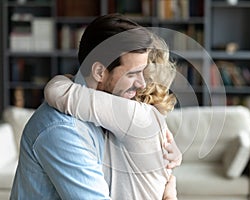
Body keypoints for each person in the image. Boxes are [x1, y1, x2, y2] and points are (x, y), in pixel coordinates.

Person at [10, 13, 180, 200]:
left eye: (143, 73)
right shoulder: (64, 130)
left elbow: (62, 92)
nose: (142, 84)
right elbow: (62, 94)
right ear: (99, 72)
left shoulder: (116, 114)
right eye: (133, 74)